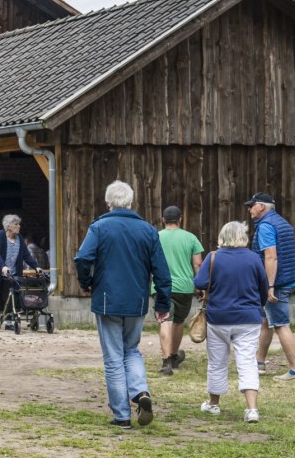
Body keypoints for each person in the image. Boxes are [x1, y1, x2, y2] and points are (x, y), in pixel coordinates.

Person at [74, 180, 171, 428]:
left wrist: (87, 282)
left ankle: (122, 415)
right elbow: (161, 270)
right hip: (136, 300)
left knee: (114, 357)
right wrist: (162, 302)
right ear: (131, 201)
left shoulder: (99, 227)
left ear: (108, 203)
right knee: (132, 350)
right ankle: (140, 392)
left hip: (107, 299)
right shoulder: (148, 230)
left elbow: (83, 257)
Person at [195, 221, 269, 421]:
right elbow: (264, 287)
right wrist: (258, 305)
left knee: (217, 362)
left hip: (218, 317)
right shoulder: (254, 258)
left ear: (222, 237)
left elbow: (200, 282)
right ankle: (252, 409)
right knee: (247, 362)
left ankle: (214, 404)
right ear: (243, 237)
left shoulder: (213, 257)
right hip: (249, 318)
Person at [246, 193, 295, 382]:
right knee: (266, 322)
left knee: (280, 325)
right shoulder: (282, 223)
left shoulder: (266, 227)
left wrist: (270, 286)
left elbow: (271, 256)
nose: (249, 209)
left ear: (261, 207)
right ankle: (259, 363)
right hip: (284, 279)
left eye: (252, 206)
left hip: (276, 284)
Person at [156, 206, 205, 375]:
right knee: (177, 322)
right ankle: (174, 356)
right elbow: (198, 264)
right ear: (180, 219)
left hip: (162, 286)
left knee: (164, 321)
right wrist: (200, 287)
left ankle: (166, 361)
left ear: (163, 220)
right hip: (185, 287)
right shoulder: (191, 238)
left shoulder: (156, 237)